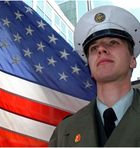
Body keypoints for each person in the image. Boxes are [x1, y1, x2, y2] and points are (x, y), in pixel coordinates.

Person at [49, 5, 140, 147]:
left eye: (113, 43)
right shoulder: (65, 131)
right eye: (93, 48)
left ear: (132, 60)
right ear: (90, 68)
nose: (101, 49)